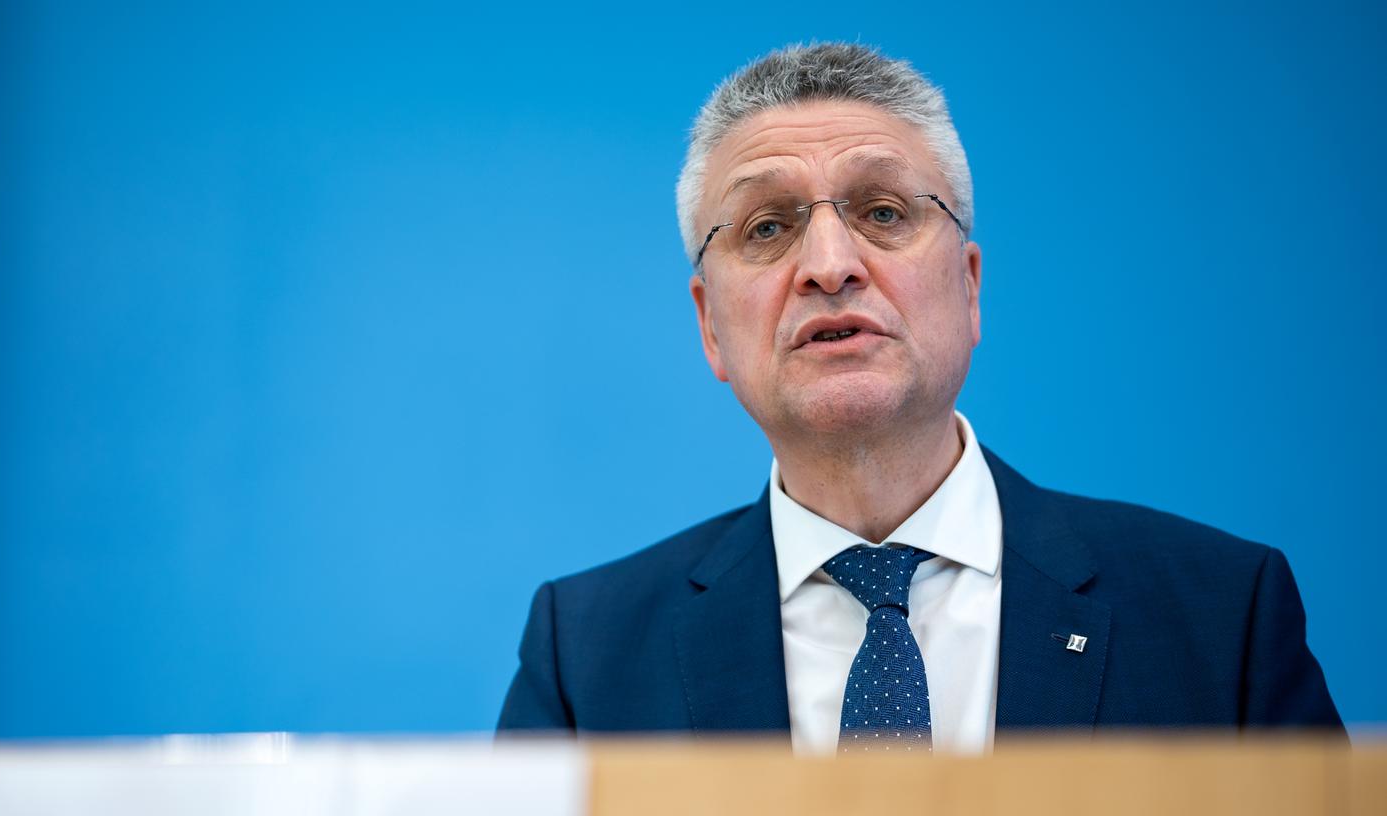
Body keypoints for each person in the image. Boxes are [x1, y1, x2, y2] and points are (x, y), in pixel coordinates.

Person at [496, 43, 1342, 754]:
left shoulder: (1220, 615)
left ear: (969, 290)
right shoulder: (587, 655)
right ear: (710, 325)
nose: (830, 263)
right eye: (767, 227)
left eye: (884, 211)